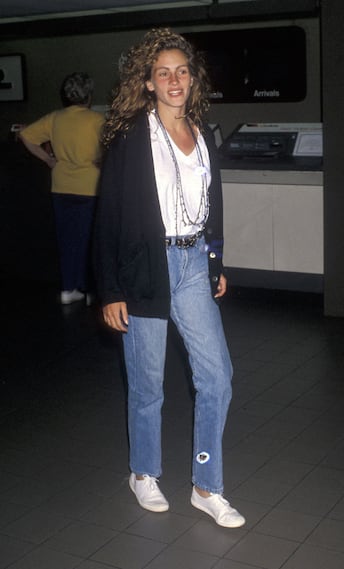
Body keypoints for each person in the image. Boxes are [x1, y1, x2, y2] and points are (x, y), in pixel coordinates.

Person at [94, 28, 245, 528]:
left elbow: (212, 206)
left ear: (192, 79)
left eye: (182, 71)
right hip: (144, 268)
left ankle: (206, 484)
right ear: (149, 82)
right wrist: (110, 288)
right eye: (164, 72)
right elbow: (108, 214)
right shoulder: (131, 136)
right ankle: (144, 473)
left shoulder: (202, 133)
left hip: (193, 263)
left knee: (217, 378)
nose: (174, 79)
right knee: (148, 384)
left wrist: (215, 262)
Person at [20, 72, 104, 305]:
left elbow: (26, 136)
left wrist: (48, 160)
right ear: (89, 95)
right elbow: (106, 151)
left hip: (61, 186)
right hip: (90, 187)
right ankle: (89, 291)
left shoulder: (55, 118)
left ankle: (68, 290)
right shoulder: (97, 121)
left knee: (67, 240)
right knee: (89, 241)